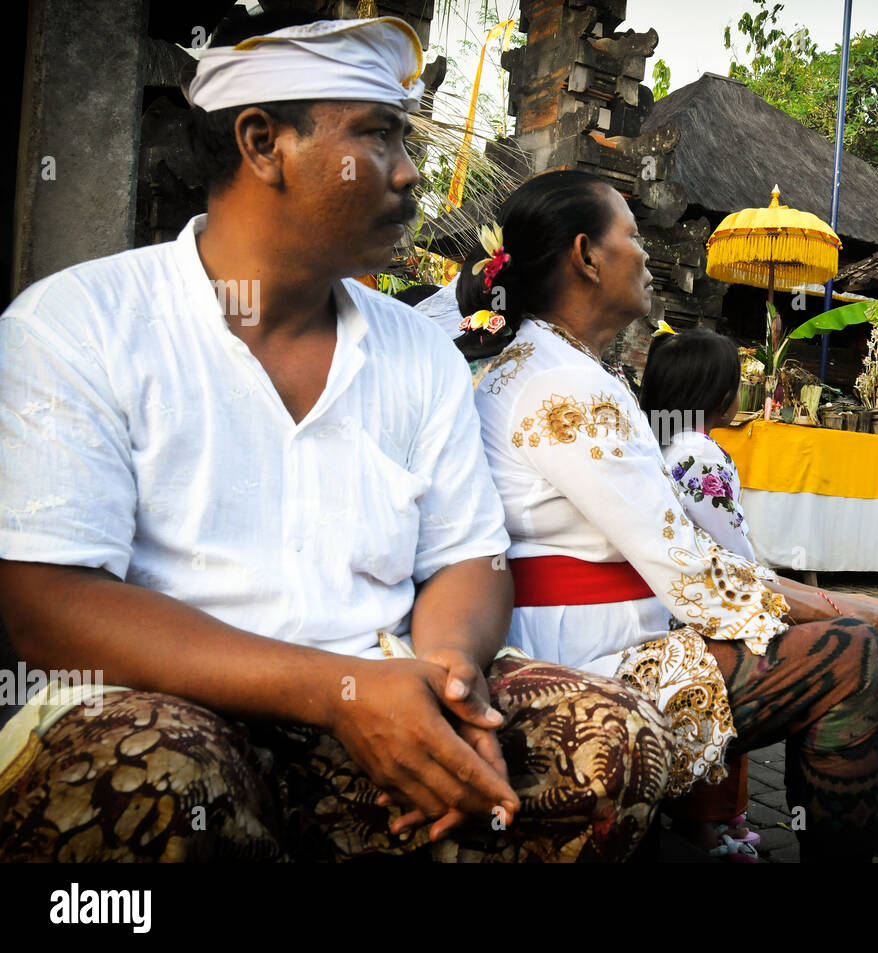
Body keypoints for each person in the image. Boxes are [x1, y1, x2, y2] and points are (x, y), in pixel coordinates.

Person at [0, 13, 674, 862]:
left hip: (396, 679)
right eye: (380, 136)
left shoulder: (419, 349)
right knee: (145, 777)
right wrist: (340, 693)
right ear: (262, 143)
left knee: (611, 739)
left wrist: (446, 682)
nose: (409, 174)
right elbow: (50, 605)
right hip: (171, 700)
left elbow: (470, 560)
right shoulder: (78, 324)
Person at [459, 169, 878, 861]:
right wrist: (853, 608)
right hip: (588, 658)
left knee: (846, 641)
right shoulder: (562, 384)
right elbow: (687, 570)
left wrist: (829, 604)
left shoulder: (546, 367)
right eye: (631, 236)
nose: (647, 254)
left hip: (584, 634)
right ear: (586, 256)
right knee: (851, 655)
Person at [638, 326, 757, 860]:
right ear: (717, 395)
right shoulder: (701, 454)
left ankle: (703, 824)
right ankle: (712, 826)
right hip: (698, 605)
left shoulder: (658, 441)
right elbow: (734, 547)